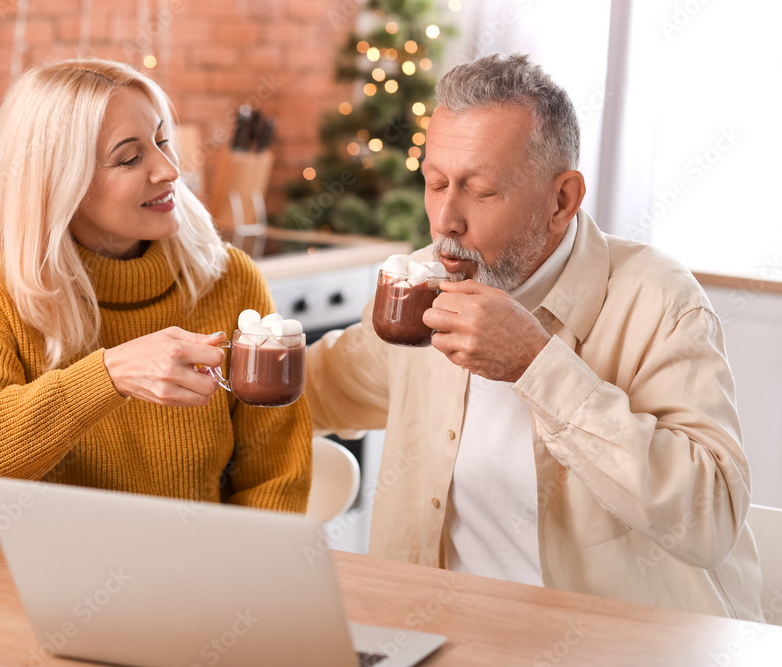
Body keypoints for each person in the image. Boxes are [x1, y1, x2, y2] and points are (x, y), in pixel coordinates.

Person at [305, 53, 763, 620]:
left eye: (481, 190)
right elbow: (312, 389)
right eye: (436, 183)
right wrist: (201, 364)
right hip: (443, 638)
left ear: (562, 200)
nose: (445, 219)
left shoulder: (659, 297)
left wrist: (535, 363)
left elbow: (709, 519)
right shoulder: (427, 279)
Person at [0, 59, 311, 512]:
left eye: (163, 142)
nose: (169, 170)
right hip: (48, 578)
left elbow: (276, 480)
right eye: (129, 157)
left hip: (204, 576)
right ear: (58, 183)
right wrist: (109, 375)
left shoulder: (231, 281)